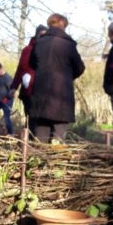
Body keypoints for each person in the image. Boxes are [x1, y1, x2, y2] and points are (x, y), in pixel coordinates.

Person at [29, 13, 86, 143]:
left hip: (41, 93)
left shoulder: (39, 42)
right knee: (58, 136)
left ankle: (39, 158)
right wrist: (67, 76)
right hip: (62, 95)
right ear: (63, 25)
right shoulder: (68, 45)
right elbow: (80, 67)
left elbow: (32, 63)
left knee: (41, 134)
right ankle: (56, 156)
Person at [11, 25, 47, 133]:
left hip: (43, 90)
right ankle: (29, 141)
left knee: (41, 118)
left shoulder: (48, 51)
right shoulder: (27, 50)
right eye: (41, 35)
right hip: (29, 90)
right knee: (31, 117)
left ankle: (38, 142)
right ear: (37, 35)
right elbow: (20, 69)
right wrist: (14, 86)